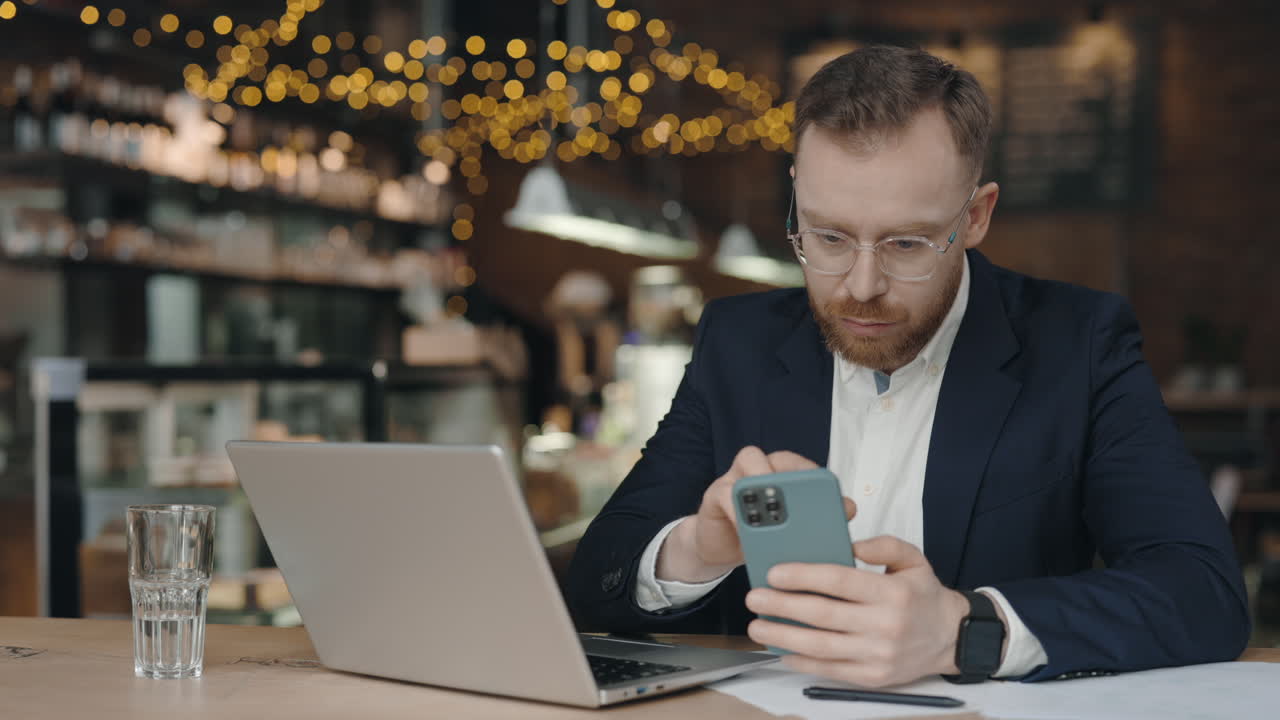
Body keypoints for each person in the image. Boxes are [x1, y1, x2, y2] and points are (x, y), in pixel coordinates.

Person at [565, 45, 1249, 686]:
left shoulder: (1081, 344)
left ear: (976, 216)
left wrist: (965, 628)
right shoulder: (737, 341)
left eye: (907, 244)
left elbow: (1203, 591)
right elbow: (599, 572)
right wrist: (696, 551)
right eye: (828, 236)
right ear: (797, 196)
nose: (861, 285)